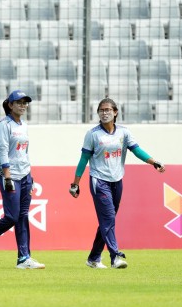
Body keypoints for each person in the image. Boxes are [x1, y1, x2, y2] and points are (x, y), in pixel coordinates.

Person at [70, 98, 165, 269]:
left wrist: (153, 162)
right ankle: (115, 256)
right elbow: (83, 159)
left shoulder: (124, 133)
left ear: (115, 113)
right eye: (101, 110)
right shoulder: (93, 134)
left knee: (108, 220)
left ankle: (93, 258)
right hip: (98, 180)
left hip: (117, 180)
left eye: (108, 110)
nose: (104, 113)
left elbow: (136, 150)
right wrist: (75, 183)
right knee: (108, 218)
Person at [0, 90, 45, 270]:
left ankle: (24, 258)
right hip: (10, 175)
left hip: (25, 175)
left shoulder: (24, 125)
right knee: (13, 216)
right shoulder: (4, 125)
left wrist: (31, 175)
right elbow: (2, 150)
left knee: (23, 216)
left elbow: (24, 152)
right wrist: (6, 176)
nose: (22, 105)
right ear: (10, 105)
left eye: (25, 102)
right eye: (19, 102)